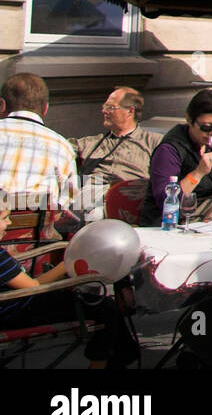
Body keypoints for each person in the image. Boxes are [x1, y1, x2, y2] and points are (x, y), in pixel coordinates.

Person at [0, 189, 138, 367]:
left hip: (13, 306)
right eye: (4, 218)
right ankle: (110, 361)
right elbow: (31, 286)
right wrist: (66, 265)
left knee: (97, 304)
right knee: (104, 307)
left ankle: (125, 353)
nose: (9, 223)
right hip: (16, 311)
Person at [141, 89, 212, 226]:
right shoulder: (169, 150)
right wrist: (198, 173)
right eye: (206, 127)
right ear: (189, 120)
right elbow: (165, 201)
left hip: (205, 218)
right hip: (171, 222)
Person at [0, 73, 78, 211]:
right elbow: (69, 198)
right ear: (45, 109)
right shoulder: (62, 146)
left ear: (1, 105)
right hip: (35, 229)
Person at [71, 87, 162, 191]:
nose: (104, 111)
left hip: (129, 199)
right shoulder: (89, 143)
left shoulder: (154, 142)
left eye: (110, 107)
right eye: (105, 107)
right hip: (90, 198)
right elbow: (59, 147)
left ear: (130, 111)